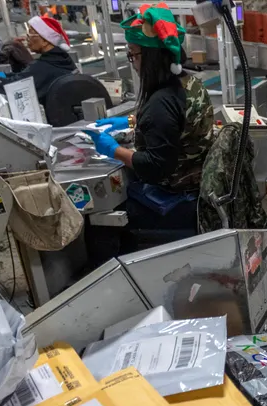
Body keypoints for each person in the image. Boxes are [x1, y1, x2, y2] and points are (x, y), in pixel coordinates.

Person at [83, 3, 213, 248]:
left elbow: (155, 167)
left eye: (133, 54)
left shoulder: (160, 103)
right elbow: (178, 122)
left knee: (98, 218)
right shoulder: (190, 83)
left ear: (151, 56)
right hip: (197, 187)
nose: (132, 61)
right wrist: (131, 121)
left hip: (176, 198)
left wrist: (113, 150)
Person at [11, 15, 78, 105]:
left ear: (45, 41)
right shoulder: (64, 59)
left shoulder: (41, 67)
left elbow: (12, 84)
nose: (27, 38)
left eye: (30, 34)